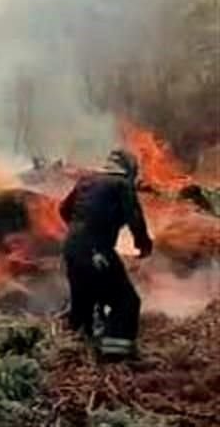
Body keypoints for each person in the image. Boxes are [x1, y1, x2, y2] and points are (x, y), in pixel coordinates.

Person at [59, 149, 153, 359]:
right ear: (129, 170)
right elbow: (135, 218)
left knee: (83, 303)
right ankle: (115, 356)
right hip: (96, 252)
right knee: (126, 302)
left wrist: (79, 231)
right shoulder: (122, 185)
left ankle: (73, 354)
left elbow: (64, 210)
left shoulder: (86, 180)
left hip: (71, 249)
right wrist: (144, 245)